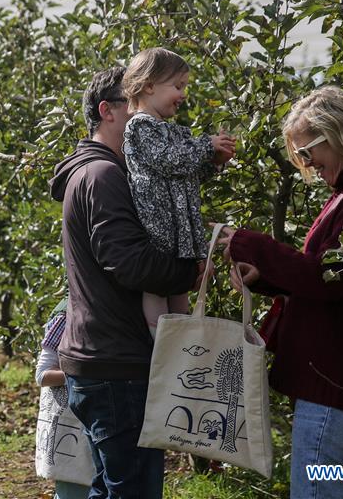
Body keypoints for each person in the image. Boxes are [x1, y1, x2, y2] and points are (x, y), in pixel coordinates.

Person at [218, 86, 343, 499]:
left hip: (339, 381)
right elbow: (328, 279)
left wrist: (252, 244)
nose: (306, 164)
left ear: (339, 133)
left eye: (308, 152)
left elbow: (330, 278)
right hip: (335, 377)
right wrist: (262, 277)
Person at [49, 67, 202, 498]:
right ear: (108, 111)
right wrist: (191, 270)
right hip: (116, 363)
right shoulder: (102, 176)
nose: (142, 113)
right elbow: (130, 263)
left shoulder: (108, 173)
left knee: (114, 486)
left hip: (105, 357)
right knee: (132, 489)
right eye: (132, 102)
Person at [121, 47, 236, 336]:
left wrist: (215, 164)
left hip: (178, 236)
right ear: (149, 86)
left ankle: (178, 350)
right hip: (159, 235)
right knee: (158, 300)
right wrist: (206, 146)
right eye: (177, 86)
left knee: (181, 305)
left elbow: (185, 173)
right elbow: (170, 160)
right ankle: (160, 348)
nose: (183, 94)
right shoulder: (141, 127)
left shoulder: (169, 130)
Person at [35, 298, 91, 499]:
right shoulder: (68, 311)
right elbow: (42, 375)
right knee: (75, 486)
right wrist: (88, 374)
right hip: (74, 413)